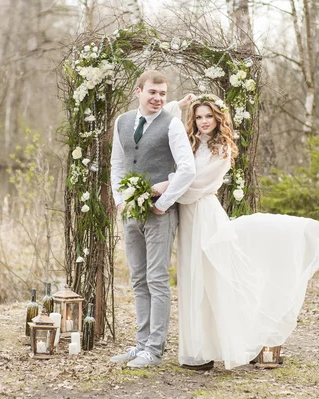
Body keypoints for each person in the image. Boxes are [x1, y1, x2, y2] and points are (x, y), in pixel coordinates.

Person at [154, 94, 319, 370]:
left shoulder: (221, 150)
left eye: (208, 116)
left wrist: (165, 187)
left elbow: (196, 184)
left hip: (204, 214)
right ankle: (196, 349)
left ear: (218, 118)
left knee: (210, 279)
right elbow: (157, 120)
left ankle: (215, 347)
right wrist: (178, 105)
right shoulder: (191, 143)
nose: (203, 122)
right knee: (189, 278)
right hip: (186, 217)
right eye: (198, 117)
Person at [109, 70, 196, 368]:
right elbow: (117, 163)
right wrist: (120, 200)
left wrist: (164, 203)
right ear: (138, 91)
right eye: (153, 93)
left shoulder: (172, 125)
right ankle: (141, 344)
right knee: (138, 279)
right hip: (130, 214)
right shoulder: (121, 122)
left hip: (160, 215)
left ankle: (155, 350)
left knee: (157, 280)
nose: (158, 98)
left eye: (162, 94)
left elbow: (187, 169)